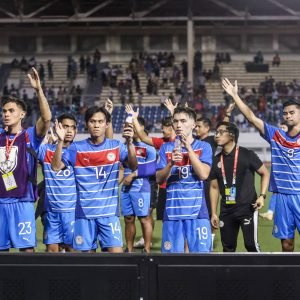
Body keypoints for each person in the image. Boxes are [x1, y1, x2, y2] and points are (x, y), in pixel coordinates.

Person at [222, 78, 300, 252]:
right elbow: (251, 117)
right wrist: (235, 96)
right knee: (286, 243)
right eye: (285, 113)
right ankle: (290, 277)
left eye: (292, 112)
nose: (287, 116)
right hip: (282, 197)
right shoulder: (276, 135)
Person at [51, 106, 137, 253]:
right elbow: (56, 167)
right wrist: (60, 141)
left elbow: (133, 165)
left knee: (117, 257)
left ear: (107, 124)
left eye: (100, 121)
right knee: (86, 264)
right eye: (92, 121)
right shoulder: (76, 148)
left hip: (109, 214)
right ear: (86, 124)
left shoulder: (116, 146)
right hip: (84, 215)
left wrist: (129, 144)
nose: (96, 125)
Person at [0, 67, 51, 252]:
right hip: (0, 201)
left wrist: (38, 91)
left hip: (23, 200)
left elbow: (46, 120)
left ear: (22, 114)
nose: (6, 114)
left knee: (27, 250)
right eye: (4, 110)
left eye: (11, 110)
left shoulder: (30, 136)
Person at [156, 106, 212, 253]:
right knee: (171, 262)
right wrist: (171, 164)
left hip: (198, 212)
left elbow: (203, 175)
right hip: (172, 212)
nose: (179, 125)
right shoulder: (165, 148)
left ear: (193, 125)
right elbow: (159, 179)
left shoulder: (204, 146)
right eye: (175, 121)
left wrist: (188, 147)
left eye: (183, 121)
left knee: (201, 259)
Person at [210, 121, 269, 252]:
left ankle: (262, 273)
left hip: (248, 208)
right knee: (228, 248)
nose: (217, 135)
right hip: (226, 211)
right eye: (216, 132)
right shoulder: (215, 160)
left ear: (231, 135)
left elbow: (265, 173)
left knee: (251, 245)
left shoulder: (247, 154)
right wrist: (214, 213)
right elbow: (214, 188)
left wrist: (262, 196)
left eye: (221, 132)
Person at [125, 104, 176, 249]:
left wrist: (174, 114)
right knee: (164, 218)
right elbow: (142, 135)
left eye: (165, 127)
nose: (162, 129)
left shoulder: (180, 141)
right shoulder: (161, 143)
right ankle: (169, 247)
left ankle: (181, 251)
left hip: (176, 186)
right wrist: (134, 118)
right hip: (163, 185)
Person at [37, 113, 77, 252]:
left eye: (73, 127)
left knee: (74, 251)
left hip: (72, 211)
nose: (69, 130)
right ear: (57, 127)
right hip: (51, 211)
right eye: (65, 126)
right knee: (52, 253)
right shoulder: (45, 150)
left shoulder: (80, 151)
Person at [121, 117, 156, 253]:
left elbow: (152, 169)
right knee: (128, 219)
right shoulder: (122, 147)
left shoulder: (149, 148)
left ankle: (147, 249)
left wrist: (133, 174)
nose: (131, 129)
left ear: (141, 128)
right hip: (125, 189)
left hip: (141, 187)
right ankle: (129, 249)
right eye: (128, 126)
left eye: (134, 126)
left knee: (144, 218)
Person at [260, 121, 288, 221]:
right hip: (279, 173)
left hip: (291, 174)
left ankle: (271, 212)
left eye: (283, 127)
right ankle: (271, 212)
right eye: (280, 127)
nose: (281, 130)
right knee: (277, 192)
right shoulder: (277, 140)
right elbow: (265, 133)